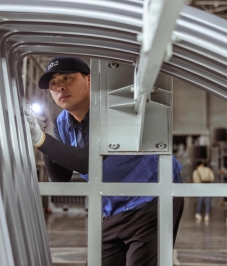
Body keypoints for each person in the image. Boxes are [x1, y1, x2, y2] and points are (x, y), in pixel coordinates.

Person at [24, 56, 184, 266]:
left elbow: (89, 162)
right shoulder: (62, 122)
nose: (59, 87)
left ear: (89, 80)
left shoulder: (113, 109)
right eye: (53, 84)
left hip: (153, 199)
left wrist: (42, 140)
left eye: (66, 78)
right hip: (114, 207)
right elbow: (59, 177)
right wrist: (48, 135)